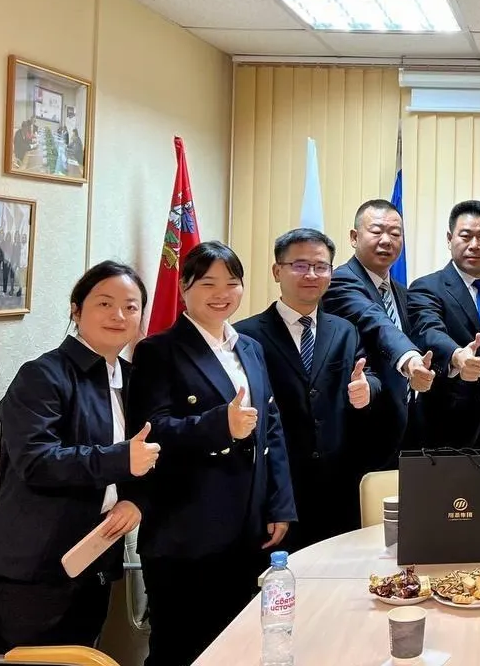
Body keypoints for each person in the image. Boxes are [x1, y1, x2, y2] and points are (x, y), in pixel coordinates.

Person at [0, 262, 159, 653]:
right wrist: (120, 460)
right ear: (76, 309)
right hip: (32, 569)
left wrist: (136, 500)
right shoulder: (41, 375)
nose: (118, 315)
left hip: (92, 561)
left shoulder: (133, 378)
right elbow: (36, 461)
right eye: (104, 303)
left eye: (131, 306)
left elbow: (149, 454)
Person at [123, 241, 296, 666]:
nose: (222, 293)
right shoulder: (157, 350)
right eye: (208, 283)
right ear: (184, 287)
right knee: (181, 648)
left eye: (232, 283)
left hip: (247, 526)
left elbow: (271, 428)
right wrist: (222, 425)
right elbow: (151, 431)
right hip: (186, 528)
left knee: (237, 644)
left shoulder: (248, 347)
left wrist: (279, 504)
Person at [234, 228, 379, 550]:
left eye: (321, 266)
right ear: (277, 271)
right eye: (299, 265)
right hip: (277, 487)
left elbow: (367, 374)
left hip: (337, 486)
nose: (311, 275)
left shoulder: (345, 330)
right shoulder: (245, 335)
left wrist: (367, 387)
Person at [324, 199, 435, 471]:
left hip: (406, 433)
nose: (386, 240)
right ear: (354, 237)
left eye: (395, 233)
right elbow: (376, 323)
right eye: (376, 231)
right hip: (361, 434)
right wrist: (410, 360)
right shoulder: (341, 281)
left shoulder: (401, 291)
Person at [406, 200, 480, 448]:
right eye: (465, 236)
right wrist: (457, 355)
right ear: (449, 239)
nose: (474, 245)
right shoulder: (426, 288)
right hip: (444, 428)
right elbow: (429, 331)